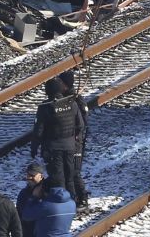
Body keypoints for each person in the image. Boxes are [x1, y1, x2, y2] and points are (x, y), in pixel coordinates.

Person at [30, 79, 85, 208]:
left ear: (47, 91)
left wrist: (34, 148)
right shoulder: (72, 103)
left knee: (58, 178)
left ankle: (62, 205)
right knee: (69, 177)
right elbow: (80, 125)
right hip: (70, 147)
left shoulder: (45, 107)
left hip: (53, 149)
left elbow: (38, 131)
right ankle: (72, 203)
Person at [54, 71, 88, 208]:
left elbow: (82, 122)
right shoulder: (65, 98)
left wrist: (75, 135)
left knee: (74, 172)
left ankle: (82, 197)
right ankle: (73, 198)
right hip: (69, 142)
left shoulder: (75, 100)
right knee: (68, 171)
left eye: (60, 82)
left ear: (65, 84)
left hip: (75, 142)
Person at [16, 164, 45, 237]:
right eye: (28, 174)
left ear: (41, 176)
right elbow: (20, 214)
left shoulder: (48, 192)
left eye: (32, 175)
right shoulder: (23, 193)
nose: (29, 177)